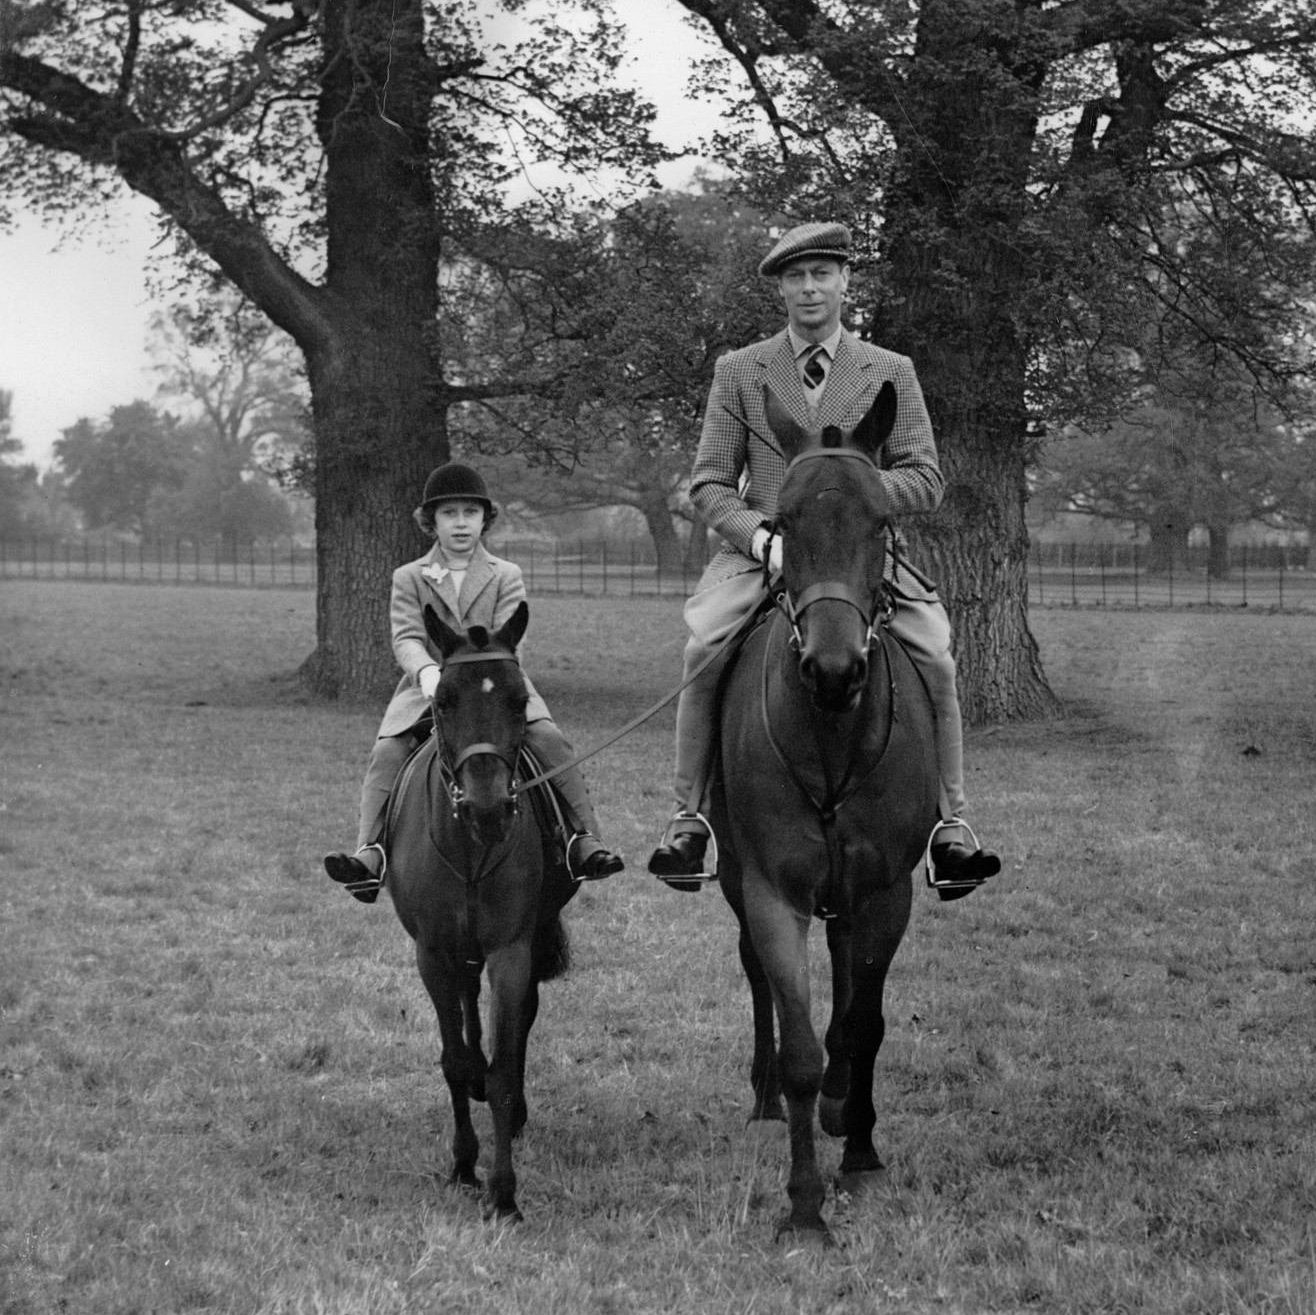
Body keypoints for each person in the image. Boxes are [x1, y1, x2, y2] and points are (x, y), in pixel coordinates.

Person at [646, 220, 1002, 898]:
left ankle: (950, 823)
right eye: (795, 277)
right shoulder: (740, 370)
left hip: (859, 554)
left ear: (844, 282)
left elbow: (926, 478)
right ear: (781, 290)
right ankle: (690, 817)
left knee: (935, 653)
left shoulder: (890, 370)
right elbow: (710, 483)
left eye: (821, 274)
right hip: (765, 552)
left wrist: (850, 495)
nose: (809, 288)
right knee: (703, 649)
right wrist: (763, 538)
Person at [322, 462, 625, 900]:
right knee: (387, 752)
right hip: (430, 690)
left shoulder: (505, 574)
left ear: (485, 519)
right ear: (432, 521)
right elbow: (406, 637)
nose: (461, 523)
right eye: (449, 513)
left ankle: (584, 839)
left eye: (470, 512)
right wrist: (427, 671)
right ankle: (370, 853)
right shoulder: (409, 577)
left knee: (550, 740)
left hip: (496, 687)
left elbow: (511, 641)